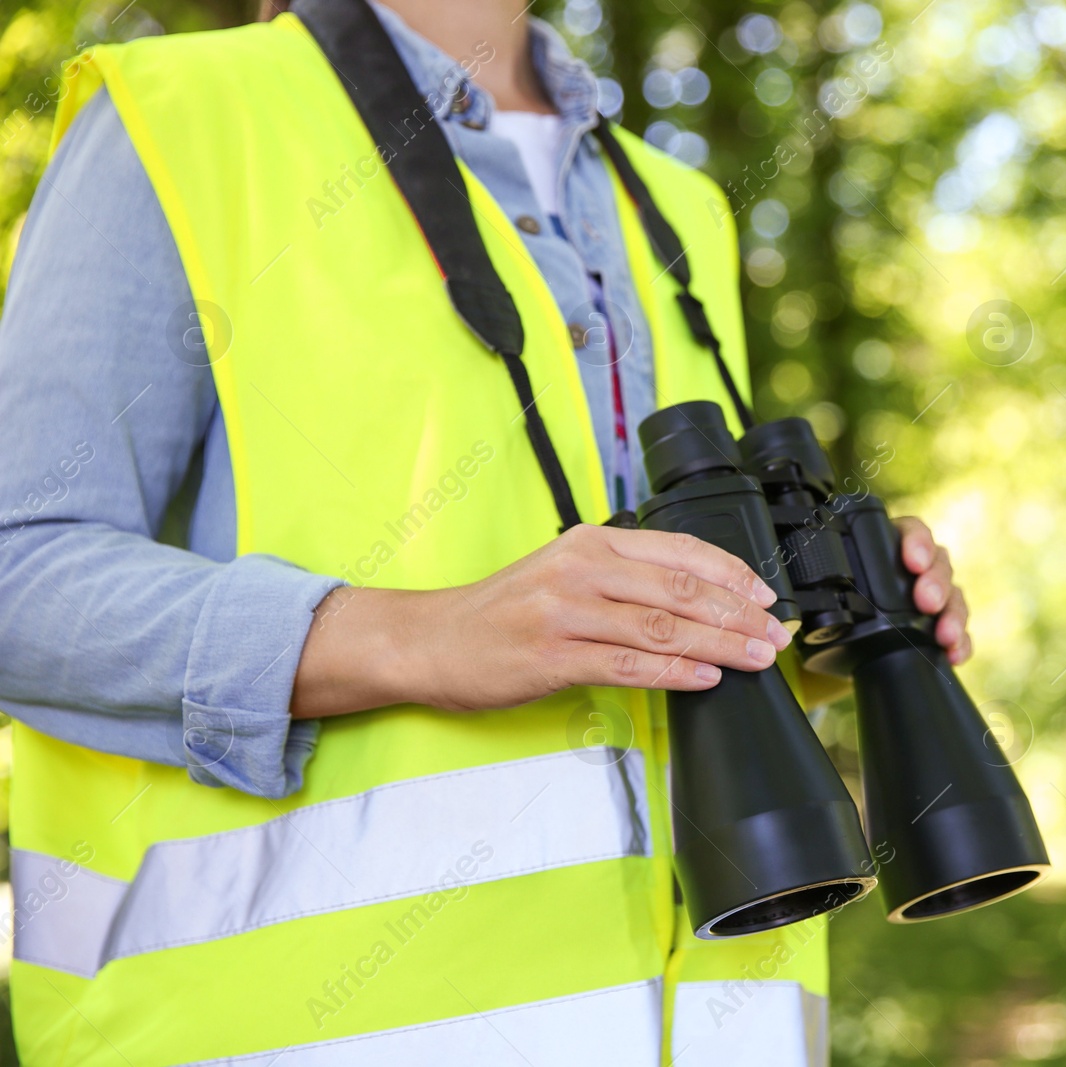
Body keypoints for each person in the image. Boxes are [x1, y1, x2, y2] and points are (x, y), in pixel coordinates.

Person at [0, 1, 971, 1063]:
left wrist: (818, 628)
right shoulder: (187, 118)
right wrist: (416, 636)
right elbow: (19, 568)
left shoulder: (679, 206)